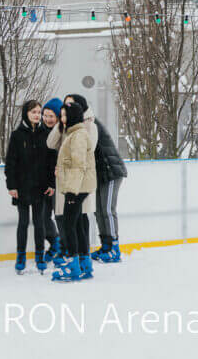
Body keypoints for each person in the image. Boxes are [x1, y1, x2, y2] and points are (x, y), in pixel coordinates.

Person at [65, 94, 126, 263]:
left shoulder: (89, 123)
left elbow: (87, 150)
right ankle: (105, 245)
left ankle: (114, 246)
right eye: (66, 105)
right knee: (98, 211)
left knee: (107, 209)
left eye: (71, 104)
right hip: (100, 174)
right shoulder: (79, 125)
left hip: (111, 171)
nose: (68, 108)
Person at [5, 100, 56, 274]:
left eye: (38, 112)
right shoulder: (17, 135)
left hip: (40, 187)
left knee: (40, 222)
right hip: (22, 187)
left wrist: (51, 183)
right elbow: (10, 162)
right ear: (26, 113)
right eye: (33, 112)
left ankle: (40, 256)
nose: (37, 115)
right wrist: (11, 185)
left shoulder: (44, 134)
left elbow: (51, 162)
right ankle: (20, 256)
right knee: (23, 222)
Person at [46, 98, 96, 271]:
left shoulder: (78, 135)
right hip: (76, 185)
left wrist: (71, 191)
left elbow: (78, 164)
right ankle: (84, 261)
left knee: (70, 224)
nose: (62, 118)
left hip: (76, 187)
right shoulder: (72, 133)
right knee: (77, 224)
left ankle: (74, 263)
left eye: (64, 115)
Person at [40, 98, 64, 261]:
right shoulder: (39, 131)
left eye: (51, 116)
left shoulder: (63, 133)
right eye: (45, 115)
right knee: (42, 216)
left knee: (60, 215)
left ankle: (64, 246)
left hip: (59, 182)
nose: (48, 119)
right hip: (43, 183)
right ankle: (54, 242)